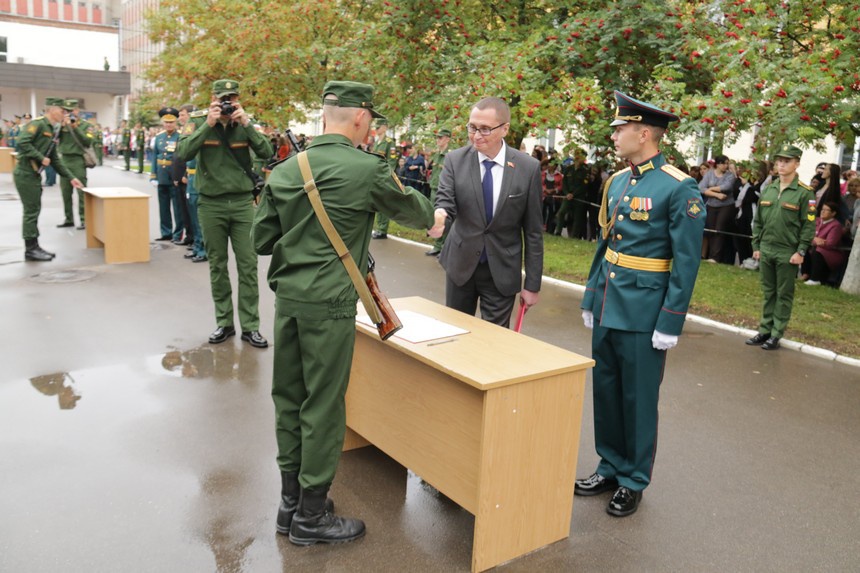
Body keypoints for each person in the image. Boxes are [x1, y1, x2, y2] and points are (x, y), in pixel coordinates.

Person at [251, 80, 434, 545]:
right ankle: (312, 517)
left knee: (288, 400)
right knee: (324, 406)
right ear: (360, 117)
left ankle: (289, 504)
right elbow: (419, 214)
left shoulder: (288, 169)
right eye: (370, 118)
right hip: (329, 304)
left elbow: (260, 241)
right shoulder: (368, 168)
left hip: (288, 301)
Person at [576, 91, 705, 518]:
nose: (614, 136)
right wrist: (592, 295)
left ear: (643, 132)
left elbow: (686, 264)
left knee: (638, 397)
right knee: (607, 390)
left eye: (620, 129)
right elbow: (605, 245)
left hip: (645, 311)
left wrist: (670, 321)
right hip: (611, 304)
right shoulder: (617, 181)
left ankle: (633, 480)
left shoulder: (678, 186)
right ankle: (610, 464)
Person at [428, 96, 543, 328]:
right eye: (472, 127)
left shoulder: (527, 168)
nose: (476, 135)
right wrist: (439, 216)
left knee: (495, 342)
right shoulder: (455, 160)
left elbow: (532, 231)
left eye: (485, 129)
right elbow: (445, 200)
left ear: (505, 129)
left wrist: (532, 285)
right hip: (460, 266)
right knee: (454, 334)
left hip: (501, 270)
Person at [176, 79, 272, 348]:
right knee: (217, 266)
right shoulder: (197, 122)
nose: (228, 103)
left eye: (232, 97)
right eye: (223, 98)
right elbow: (183, 153)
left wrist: (246, 125)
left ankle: (250, 326)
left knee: (248, 267)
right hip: (211, 204)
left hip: (242, 204)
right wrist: (208, 123)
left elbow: (267, 151)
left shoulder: (246, 123)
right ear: (213, 99)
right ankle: (225, 322)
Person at [746, 144, 815, 351]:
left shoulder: (805, 193)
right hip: (766, 248)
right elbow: (758, 220)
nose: (781, 164)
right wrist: (756, 244)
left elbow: (808, 224)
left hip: (788, 251)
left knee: (783, 294)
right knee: (768, 292)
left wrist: (801, 251)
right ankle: (765, 329)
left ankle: (776, 333)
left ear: (797, 163)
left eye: (787, 161)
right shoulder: (769, 188)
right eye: (779, 161)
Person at [13, 97, 84, 261]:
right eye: (62, 110)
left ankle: (34, 246)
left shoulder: (53, 128)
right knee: (31, 211)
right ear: (51, 110)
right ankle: (30, 249)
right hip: (25, 173)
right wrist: (39, 157)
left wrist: (71, 178)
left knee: (34, 210)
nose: (64, 114)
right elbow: (22, 142)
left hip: (34, 174)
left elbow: (55, 159)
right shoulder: (37, 124)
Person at [56, 99, 94, 230]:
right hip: (64, 160)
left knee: (81, 191)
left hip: (78, 160)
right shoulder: (60, 124)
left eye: (71, 110)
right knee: (65, 192)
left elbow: (88, 141)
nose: (69, 113)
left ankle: (84, 219)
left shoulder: (85, 125)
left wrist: (75, 127)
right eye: (66, 111)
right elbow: (53, 138)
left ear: (77, 110)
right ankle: (68, 218)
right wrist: (61, 126)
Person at [150, 108, 183, 242]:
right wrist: (153, 175)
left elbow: (181, 158)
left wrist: (180, 175)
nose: (168, 125)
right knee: (163, 207)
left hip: (173, 175)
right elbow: (154, 157)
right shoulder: (159, 137)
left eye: (171, 122)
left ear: (176, 122)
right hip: (162, 175)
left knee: (177, 208)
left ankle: (178, 234)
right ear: (162, 123)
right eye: (166, 122)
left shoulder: (180, 136)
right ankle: (166, 232)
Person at [699, 154, 737, 263]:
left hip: (726, 205)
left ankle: (715, 257)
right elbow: (701, 187)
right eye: (725, 163)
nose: (726, 166)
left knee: (719, 229)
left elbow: (726, 187)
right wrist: (717, 195)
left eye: (727, 163)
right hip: (711, 205)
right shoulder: (710, 174)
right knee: (711, 229)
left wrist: (710, 189)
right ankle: (710, 255)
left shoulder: (729, 175)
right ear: (718, 164)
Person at [802, 203, 845, 286]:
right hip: (816, 248)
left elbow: (830, 243)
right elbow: (806, 234)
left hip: (831, 253)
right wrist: (814, 239)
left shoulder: (836, 225)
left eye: (826, 210)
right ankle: (805, 274)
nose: (823, 211)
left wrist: (813, 240)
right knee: (804, 247)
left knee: (818, 250)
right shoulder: (816, 220)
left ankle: (815, 279)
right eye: (822, 209)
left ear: (833, 213)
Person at [425, 128, 452, 256]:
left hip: (444, 191)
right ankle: (437, 245)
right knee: (435, 217)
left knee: (445, 219)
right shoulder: (436, 154)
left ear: (447, 139)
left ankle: (445, 248)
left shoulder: (450, 155)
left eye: (440, 138)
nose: (438, 140)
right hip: (434, 188)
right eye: (437, 137)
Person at [370, 119, 398, 239]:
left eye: (378, 127)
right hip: (376, 175)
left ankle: (382, 229)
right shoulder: (377, 143)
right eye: (376, 128)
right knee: (377, 202)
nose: (376, 129)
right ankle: (379, 227)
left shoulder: (389, 142)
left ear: (385, 128)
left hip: (384, 176)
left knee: (384, 202)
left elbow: (392, 161)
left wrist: (386, 174)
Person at [555, 148, 589, 238]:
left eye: (580, 155)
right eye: (576, 155)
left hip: (578, 197)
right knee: (561, 212)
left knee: (577, 217)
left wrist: (573, 194)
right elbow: (564, 182)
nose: (577, 157)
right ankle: (558, 231)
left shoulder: (585, 170)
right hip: (568, 195)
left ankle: (574, 236)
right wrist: (567, 193)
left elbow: (583, 186)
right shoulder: (569, 169)